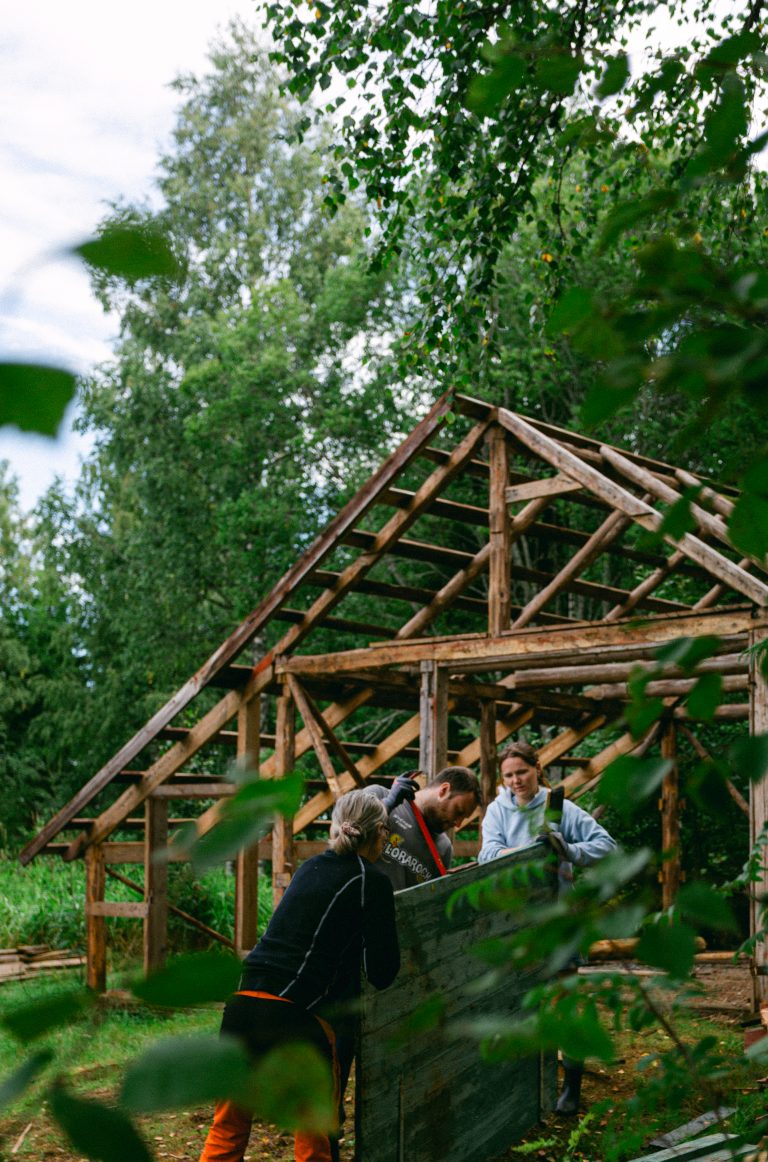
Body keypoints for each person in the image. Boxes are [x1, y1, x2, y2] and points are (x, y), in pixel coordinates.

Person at [199, 788, 400, 1162]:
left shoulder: (310, 867)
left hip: (242, 1005)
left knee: (228, 1127)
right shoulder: (371, 881)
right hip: (297, 1014)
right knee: (313, 1138)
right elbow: (383, 972)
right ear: (377, 834)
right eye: (386, 832)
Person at [478, 740, 617, 1118]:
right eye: (508, 775)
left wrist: (568, 849)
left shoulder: (561, 808)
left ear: (537, 768)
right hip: (516, 925)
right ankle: (516, 1091)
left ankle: (570, 1088)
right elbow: (486, 854)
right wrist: (527, 851)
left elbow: (607, 846)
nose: (515, 781)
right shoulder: (497, 810)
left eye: (521, 772)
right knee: (518, 1004)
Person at [368, 765, 482, 890]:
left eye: (463, 818)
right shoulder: (377, 795)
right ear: (444, 790)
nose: (458, 824)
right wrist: (387, 805)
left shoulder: (444, 848)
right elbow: (346, 833)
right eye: (458, 811)